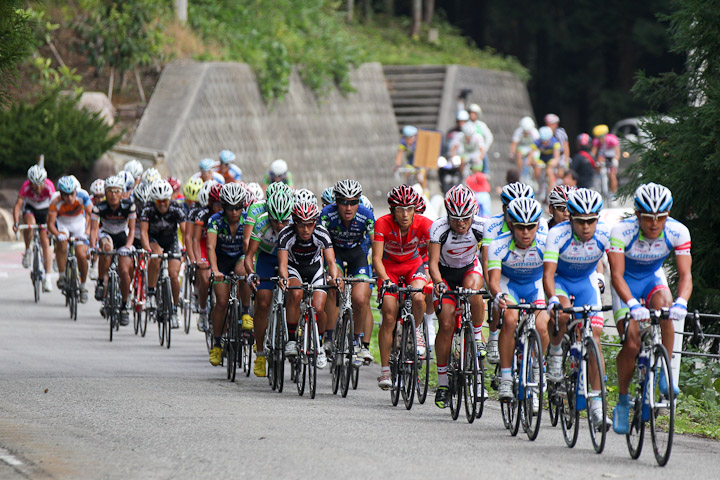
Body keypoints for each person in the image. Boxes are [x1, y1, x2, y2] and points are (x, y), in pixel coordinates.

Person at [609, 183, 692, 434]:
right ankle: (623, 401)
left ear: (668, 216)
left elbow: (686, 274)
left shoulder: (678, 231)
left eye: (661, 218)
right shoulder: (622, 231)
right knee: (632, 344)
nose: (655, 224)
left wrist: (682, 302)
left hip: (652, 279)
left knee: (666, 309)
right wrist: (632, 304)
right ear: (637, 216)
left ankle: (665, 375)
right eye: (648, 218)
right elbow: (616, 275)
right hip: (625, 284)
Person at [543, 188, 610, 427]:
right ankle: (555, 353)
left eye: (591, 221)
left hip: (586, 283)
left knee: (595, 337)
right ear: (570, 218)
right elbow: (548, 275)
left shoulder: (604, 233)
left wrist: (602, 280)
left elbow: (618, 267)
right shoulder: (557, 234)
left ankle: (597, 406)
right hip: (560, 280)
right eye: (580, 222)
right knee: (562, 314)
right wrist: (552, 299)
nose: (586, 227)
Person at [487, 197, 549, 407]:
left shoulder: (545, 242)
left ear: (538, 225)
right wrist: (498, 296)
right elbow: (493, 281)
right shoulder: (498, 244)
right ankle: (506, 378)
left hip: (534, 285)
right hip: (509, 285)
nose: (525, 232)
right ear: (511, 225)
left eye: (531, 227)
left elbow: (553, 275)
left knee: (542, 325)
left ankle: (538, 368)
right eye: (520, 227)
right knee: (510, 319)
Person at [428, 185, 486, 408]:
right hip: (445, 275)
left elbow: (488, 260)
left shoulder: (481, 226)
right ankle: (443, 382)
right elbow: (432, 263)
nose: (461, 223)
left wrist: (492, 283)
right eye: (455, 218)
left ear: (473, 214)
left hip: (469, 270)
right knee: (445, 322)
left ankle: (478, 336)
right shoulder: (438, 229)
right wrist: (439, 283)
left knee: (473, 289)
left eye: (465, 218)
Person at [372, 185, 433, 389]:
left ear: (415, 209)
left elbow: (435, 255)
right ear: (392, 210)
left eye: (409, 209)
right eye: (400, 209)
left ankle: (416, 331)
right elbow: (376, 259)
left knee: (418, 297)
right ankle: (385, 371)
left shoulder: (424, 223)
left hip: (412, 265)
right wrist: (385, 280)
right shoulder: (382, 223)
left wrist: (431, 278)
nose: (405, 214)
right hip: (389, 267)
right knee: (389, 314)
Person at [481, 183, 549, 365]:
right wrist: (493, 293)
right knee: (506, 315)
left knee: (543, 325)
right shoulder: (493, 226)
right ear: (505, 208)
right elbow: (487, 260)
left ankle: (537, 367)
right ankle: (494, 336)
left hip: (533, 280)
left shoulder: (541, 226)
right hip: (505, 275)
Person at [277, 196, 342, 370]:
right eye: (301, 224)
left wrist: (334, 277)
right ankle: (291, 340)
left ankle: (319, 346)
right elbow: (283, 265)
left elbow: (331, 263)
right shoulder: (286, 234)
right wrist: (284, 278)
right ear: (294, 223)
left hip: (315, 269)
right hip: (294, 268)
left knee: (319, 308)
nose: (306, 229)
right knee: (295, 294)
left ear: (315, 222)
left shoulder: (321, 233)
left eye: (310, 224)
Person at [320, 179, 375, 363]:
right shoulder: (327, 214)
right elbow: (320, 243)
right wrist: (327, 270)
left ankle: (357, 341)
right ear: (336, 202)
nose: (348, 207)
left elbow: (376, 246)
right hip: (333, 252)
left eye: (353, 202)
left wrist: (377, 268)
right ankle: (329, 337)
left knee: (360, 298)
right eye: (344, 202)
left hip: (356, 254)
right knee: (334, 288)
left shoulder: (366, 215)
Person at [245, 188, 294, 376]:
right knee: (263, 302)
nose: (280, 225)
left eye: (284, 220)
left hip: (289, 259)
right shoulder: (262, 223)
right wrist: (250, 273)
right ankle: (259, 353)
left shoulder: (296, 223)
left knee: (294, 295)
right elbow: (249, 256)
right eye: (275, 220)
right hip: (266, 258)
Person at [206, 183, 250, 367]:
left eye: (238, 207)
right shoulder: (215, 221)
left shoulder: (248, 220)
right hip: (222, 260)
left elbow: (249, 247)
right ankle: (217, 343)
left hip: (240, 257)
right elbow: (210, 247)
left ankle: (246, 312)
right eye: (230, 208)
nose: (234, 212)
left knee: (244, 272)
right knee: (222, 302)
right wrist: (215, 270)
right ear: (223, 207)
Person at [139, 180, 187, 329]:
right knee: (156, 255)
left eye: (165, 200)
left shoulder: (176, 208)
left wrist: (185, 249)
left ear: (169, 199)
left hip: (171, 241)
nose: (162, 204)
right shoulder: (148, 209)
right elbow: (143, 232)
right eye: (158, 201)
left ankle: (174, 309)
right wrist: (147, 249)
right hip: (154, 240)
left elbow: (185, 231)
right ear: (154, 200)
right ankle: (151, 293)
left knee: (173, 274)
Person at [90, 175, 136, 325]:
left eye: (117, 191)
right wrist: (92, 247)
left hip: (123, 236)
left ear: (122, 192)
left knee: (124, 270)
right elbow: (94, 231)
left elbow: (132, 229)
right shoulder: (99, 207)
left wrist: (128, 247)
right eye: (110, 191)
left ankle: (124, 306)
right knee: (107, 248)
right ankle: (101, 281)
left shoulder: (129, 206)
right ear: (105, 193)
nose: (113, 195)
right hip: (106, 234)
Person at [48, 176, 93, 302]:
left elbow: (93, 215)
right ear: (61, 194)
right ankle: (62, 276)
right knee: (62, 243)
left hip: (79, 224)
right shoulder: (55, 201)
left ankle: (83, 286)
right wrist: (57, 234)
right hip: (63, 224)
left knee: (81, 254)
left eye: (71, 194)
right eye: (65, 195)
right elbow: (51, 224)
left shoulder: (83, 195)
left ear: (75, 191)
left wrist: (87, 232)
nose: (69, 198)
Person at [13, 165, 55, 292]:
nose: (37, 188)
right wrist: (15, 222)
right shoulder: (26, 186)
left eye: (40, 184)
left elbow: (54, 207)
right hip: (30, 207)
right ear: (30, 182)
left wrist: (52, 225)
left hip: (45, 209)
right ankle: (27, 251)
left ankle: (47, 278)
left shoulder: (49, 186)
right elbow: (18, 205)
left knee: (45, 242)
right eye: (34, 185)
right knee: (29, 225)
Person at [190, 182, 222, 331]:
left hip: (218, 246)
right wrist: (198, 260)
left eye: (223, 204)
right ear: (210, 204)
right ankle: (202, 310)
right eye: (217, 204)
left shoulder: (226, 215)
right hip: (203, 244)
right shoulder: (202, 214)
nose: (220, 208)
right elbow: (195, 239)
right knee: (204, 277)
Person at [591, 124, 620, 197]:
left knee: (612, 175)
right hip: (603, 156)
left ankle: (613, 193)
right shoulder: (596, 141)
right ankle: (599, 176)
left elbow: (617, 152)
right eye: (598, 137)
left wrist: (616, 159)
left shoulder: (612, 139)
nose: (600, 139)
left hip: (611, 156)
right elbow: (593, 153)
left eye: (601, 137)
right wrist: (593, 162)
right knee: (599, 161)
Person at [395, 125, 426, 191]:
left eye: (409, 138)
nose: (407, 140)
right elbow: (400, 154)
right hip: (411, 162)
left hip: (421, 162)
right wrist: (397, 165)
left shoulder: (419, 142)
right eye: (406, 138)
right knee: (407, 174)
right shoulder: (403, 142)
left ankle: (424, 191)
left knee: (421, 177)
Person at [530, 126, 561, 191]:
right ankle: (537, 183)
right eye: (543, 141)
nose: (544, 143)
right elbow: (531, 156)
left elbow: (557, 157)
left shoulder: (555, 142)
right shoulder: (537, 142)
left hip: (550, 159)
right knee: (537, 168)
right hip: (541, 158)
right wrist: (533, 161)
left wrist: (554, 162)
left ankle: (551, 189)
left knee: (549, 170)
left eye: (546, 141)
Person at [510, 116, 540, 180]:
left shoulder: (535, 132)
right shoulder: (518, 132)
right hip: (524, 148)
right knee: (519, 155)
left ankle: (536, 178)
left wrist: (529, 157)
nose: (526, 133)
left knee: (535, 162)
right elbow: (514, 144)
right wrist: (511, 154)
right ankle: (520, 174)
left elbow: (536, 146)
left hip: (534, 149)